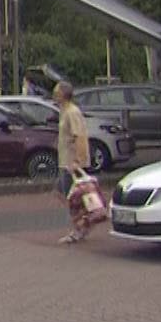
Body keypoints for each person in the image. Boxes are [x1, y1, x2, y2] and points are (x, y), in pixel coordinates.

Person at [54, 82, 94, 244]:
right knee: (60, 192)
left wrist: (78, 160)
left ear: (63, 94)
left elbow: (80, 137)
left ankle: (78, 230)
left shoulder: (72, 112)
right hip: (64, 162)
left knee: (73, 199)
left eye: (56, 92)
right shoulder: (64, 112)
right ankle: (84, 222)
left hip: (71, 164)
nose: (54, 94)